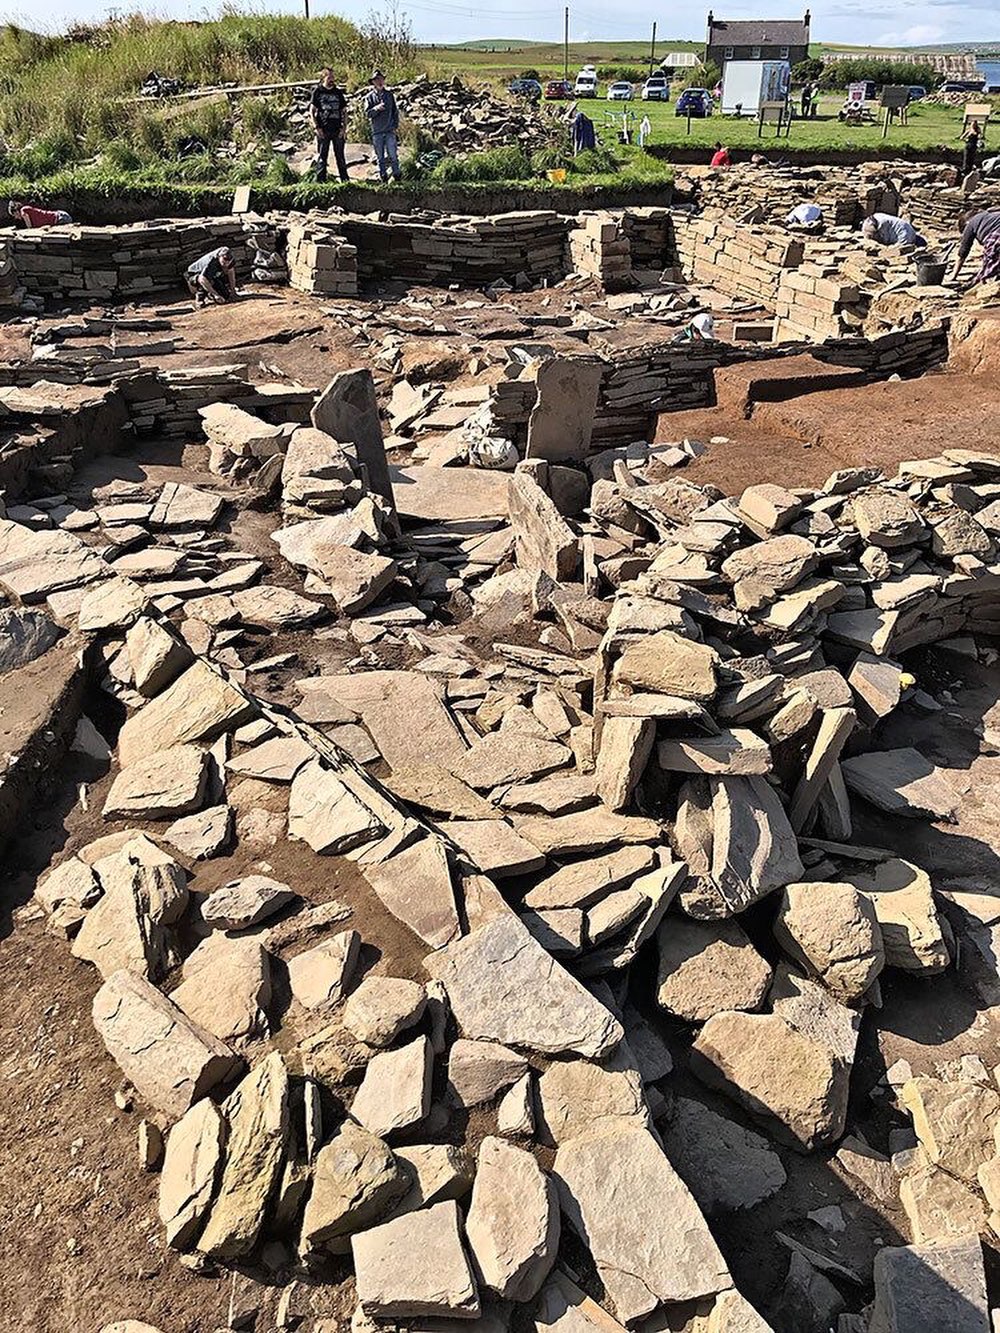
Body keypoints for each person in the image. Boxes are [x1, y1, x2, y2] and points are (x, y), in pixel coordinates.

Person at [310, 68, 349, 183]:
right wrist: (316, 127)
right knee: (322, 157)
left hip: (337, 129)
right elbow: (312, 111)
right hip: (323, 129)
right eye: (329, 77)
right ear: (324, 78)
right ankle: (320, 181)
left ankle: (345, 181)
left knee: (340, 157)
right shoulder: (318, 92)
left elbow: (344, 111)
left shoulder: (337, 92)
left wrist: (344, 128)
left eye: (333, 77)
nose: (332, 80)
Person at [365, 70, 401, 183]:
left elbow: (395, 112)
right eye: (377, 80)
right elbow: (367, 113)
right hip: (377, 132)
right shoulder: (369, 97)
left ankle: (397, 177)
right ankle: (383, 178)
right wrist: (376, 109)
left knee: (393, 156)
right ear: (373, 83)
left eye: (381, 79)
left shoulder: (389, 95)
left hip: (390, 130)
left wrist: (395, 125)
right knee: (380, 158)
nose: (380, 82)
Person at [951, 208, 1000, 280]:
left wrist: (953, 276)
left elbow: (962, 253)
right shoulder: (989, 215)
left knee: (986, 274)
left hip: (997, 236)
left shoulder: (970, 224)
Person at [861, 213, 926, 247]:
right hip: (875, 226)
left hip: (870, 221)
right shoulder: (907, 238)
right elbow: (887, 241)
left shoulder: (910, 230)